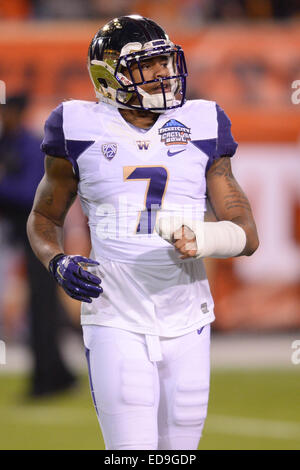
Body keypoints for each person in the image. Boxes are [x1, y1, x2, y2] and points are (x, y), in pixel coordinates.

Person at [27, 15, 259, 449]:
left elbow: (247, 233)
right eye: (145, 65)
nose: (162, 73)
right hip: (115, 314)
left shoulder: (203, 121)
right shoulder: (77, 126)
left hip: (188, 318)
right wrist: (57, 261)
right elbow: (44, 218)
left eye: (165, 61)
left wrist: (204, 238)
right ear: (108, 76)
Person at [0, 93, 77, 397]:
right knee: (41, 307)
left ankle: (47, 378)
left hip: (43, 237)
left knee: (42, 308)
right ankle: (56, 374)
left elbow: (33, 195)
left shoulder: (32, 146)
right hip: (21, 236)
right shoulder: (8, 144)